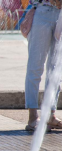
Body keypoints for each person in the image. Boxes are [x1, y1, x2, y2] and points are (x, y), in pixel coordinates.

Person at [25, 0, 62, 131]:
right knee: (35, 66)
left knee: (56, 69)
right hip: (43, 11)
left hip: (61, 14)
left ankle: (50, 115)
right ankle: (33, 116)